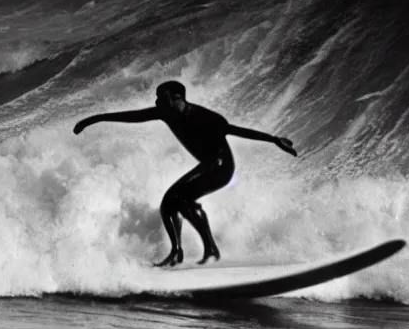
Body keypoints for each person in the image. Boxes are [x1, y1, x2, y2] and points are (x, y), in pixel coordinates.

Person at [73, 80, 297, 267]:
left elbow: (235, 130)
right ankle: (182, 251)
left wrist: (274, 140)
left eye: (162, 97)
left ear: (177, 97)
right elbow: (133, 116)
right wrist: (94, 119)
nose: (157, 102)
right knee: (169, 205)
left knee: (176, 200)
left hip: (221, 168)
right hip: (207, 166)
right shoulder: (166, 113)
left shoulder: (205, 117)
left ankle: (207, 249)